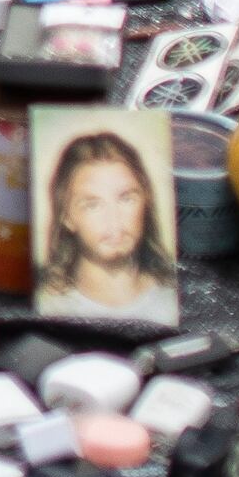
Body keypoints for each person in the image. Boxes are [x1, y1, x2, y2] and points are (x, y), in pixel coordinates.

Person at [36, 121, 180, 330]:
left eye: (126, 198)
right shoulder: (50, 308)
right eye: (92, 205)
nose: (114, 219)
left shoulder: (171, 300)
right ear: (66, 217)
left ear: (146, 201)